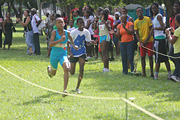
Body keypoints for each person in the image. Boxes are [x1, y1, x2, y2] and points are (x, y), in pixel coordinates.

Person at [47, 18, 78, 96]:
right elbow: (50, 44)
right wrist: (60, 40)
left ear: (64, 23)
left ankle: (65, 90)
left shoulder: (67, 33)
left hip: (63, 54)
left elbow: (71, 40)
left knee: (66, 68)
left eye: (62, 22)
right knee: (53, 74)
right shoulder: (54, 33)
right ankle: (50, 70)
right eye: (59, 22)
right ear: (56, 25)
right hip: (54, 55)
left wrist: (74, 46)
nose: (61, 24)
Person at [67, 17, 92, 93]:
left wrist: (91, 42)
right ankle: (67, 65)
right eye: (80, 23)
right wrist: (70, 53)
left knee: (81, 69)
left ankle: (77, 87)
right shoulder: (73, 32)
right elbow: (68, 43)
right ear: (77, 24)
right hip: (74, 53)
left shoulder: (86, 32)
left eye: (83, 23)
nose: (82, 24)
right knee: (72, 72)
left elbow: (87, 42)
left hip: (82, 52)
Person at [151, 3, 172, 80]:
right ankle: (169, 74)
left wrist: (155, 28)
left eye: (155, 8)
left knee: (157, 58)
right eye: (152, 9)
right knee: (164, 58)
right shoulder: (155, 17)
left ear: (158, 8)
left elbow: (163, 27)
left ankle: (156, 76)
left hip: (159, 39)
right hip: (159, 38)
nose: (153, 10)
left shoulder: (159, 16)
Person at [134, 7, 154, 77]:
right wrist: (140, 42)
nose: (139, 12)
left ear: (142, 12)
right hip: (142, 42)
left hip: (149, 41)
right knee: (142, 57)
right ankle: (144, 73)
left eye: (140, 11)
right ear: (136, 13)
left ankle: (152, 73)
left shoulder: (147, 19)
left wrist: (146, 40)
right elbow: (136, 33)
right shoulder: (136, 22)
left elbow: (151, 30)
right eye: (137, 11)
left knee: (150, 57)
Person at [166, 14, 180, 82]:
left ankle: (175, 76)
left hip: (178, 51)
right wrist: (174, 32)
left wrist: (168, 34)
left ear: (177, 21)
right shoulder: (177, 31)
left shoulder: (178, 30)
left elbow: (172, 41)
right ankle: (175, 76)